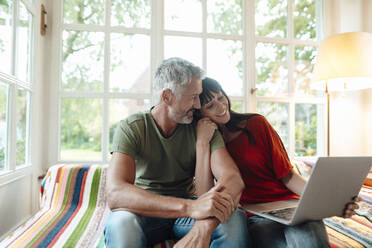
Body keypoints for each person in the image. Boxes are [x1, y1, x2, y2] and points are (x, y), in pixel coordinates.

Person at [194, 77, 360, 248]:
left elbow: (288, 176)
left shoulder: (257, 124)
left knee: (311, 244)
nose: (221, 106)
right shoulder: (209, 143)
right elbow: (205, 195)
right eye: (210, 106)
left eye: (220, 97)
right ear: (199, 113)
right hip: (254, 216)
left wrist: (329, 202)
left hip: (290, 206)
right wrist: (203, 143)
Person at [104, 58, 251, 248]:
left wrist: (203, 226)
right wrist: (190, 207)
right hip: (145, 210)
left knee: (233, 219)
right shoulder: (133, 128)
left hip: (188, 212)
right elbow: (116, 194)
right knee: (121, 223)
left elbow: (233, 179)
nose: (198, 105)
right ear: (167, 97)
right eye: (193, 97)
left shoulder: (202, 127)